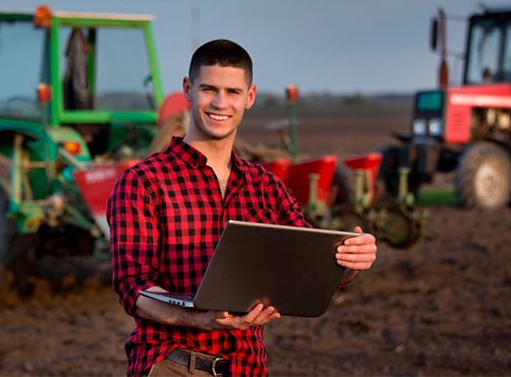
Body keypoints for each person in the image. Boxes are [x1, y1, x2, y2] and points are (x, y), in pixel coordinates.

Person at [108, 39, 377, 376]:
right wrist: (199, 320)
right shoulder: (144, 182)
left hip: (248, 367)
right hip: (175, 364)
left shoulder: (265, 187)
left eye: (233, 92)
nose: (220, 103)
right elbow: (134, 289)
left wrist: (350, 260)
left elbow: (311, 263)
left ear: (249, 97)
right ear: (188, 90)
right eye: (209, 89)